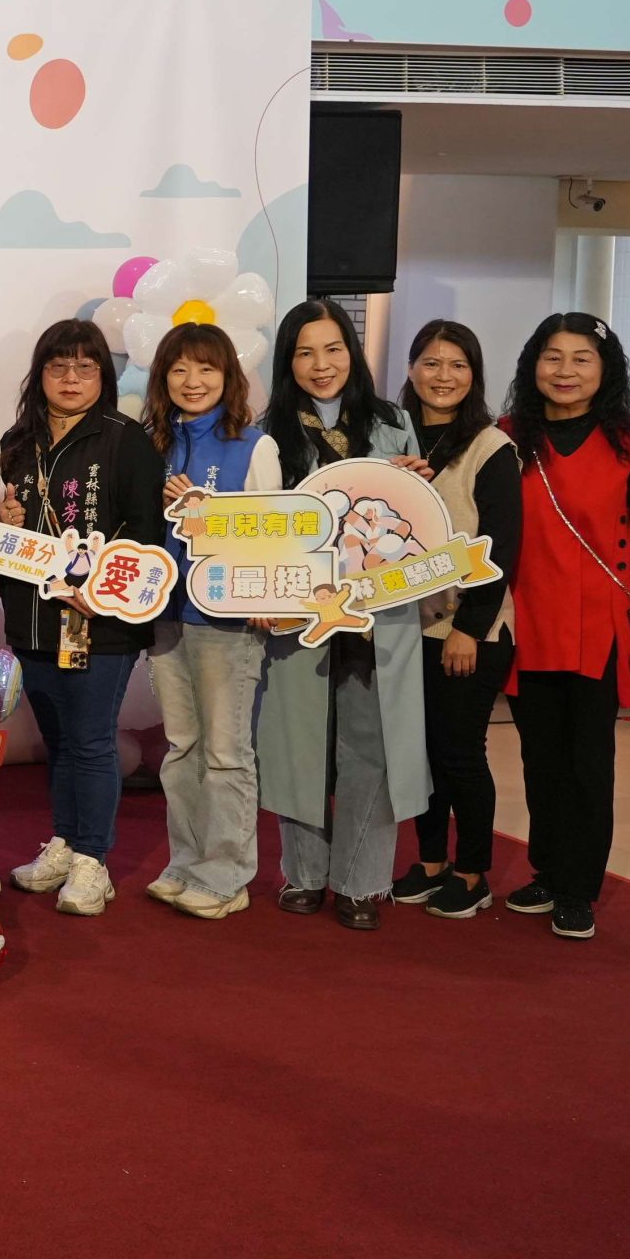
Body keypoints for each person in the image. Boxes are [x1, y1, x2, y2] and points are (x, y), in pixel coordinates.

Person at [252, 299, 430, 932]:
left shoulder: (393, 423)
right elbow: (258, 523)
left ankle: (361, 879)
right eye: (305, 353)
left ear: (352, 354)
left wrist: (418, 480)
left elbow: (419, 522)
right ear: (287, 361)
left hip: (379, 612)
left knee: (371, 744)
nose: (321, 364)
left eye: (333, 349)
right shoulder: (268, 430)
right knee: (298, 742)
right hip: (300, 613)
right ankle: (303, 873)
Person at [502, 313, 630, 941]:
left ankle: (578, 889)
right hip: (527, 620)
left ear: (606, 370)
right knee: (539, 758)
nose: (566, 371)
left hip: (599, 626)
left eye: (582, 359)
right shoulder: (507, 437)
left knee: (588, 763)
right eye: (553, 357)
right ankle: (548, 871)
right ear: (533, 365)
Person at [0, 319, 165, 918]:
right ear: (39, 373)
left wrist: (102, 591)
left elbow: (147, 532)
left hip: (100, 620)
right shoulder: (18, 440)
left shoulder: (125, 439)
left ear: (103, 376)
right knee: (60, 740)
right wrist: (4, 519)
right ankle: (65, 843)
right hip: (33, 617)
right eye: (58, 366)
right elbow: (2, 527)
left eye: (85, 367)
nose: (71, 378)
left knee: (91, 740)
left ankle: (94, 860)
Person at [141, 322, 277, 921]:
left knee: (226, 752)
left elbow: (272, 532)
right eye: (179, 369)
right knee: (181, 747)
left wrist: (202, 512)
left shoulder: (254, 445)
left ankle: (226, 875)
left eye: (206, 368)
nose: (192, 381)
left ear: (228, 377)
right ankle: (185, 863)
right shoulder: (155, 444)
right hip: (165, 613)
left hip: (226, 617)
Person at [390, 320, 521, 920]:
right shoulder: (393, 440)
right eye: (431, 363)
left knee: (460, 751)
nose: (443, 376)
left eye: (457, 365)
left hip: (470, 629)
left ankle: (472, 872)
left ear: (474, 375)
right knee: (420, 752)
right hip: (405, 626)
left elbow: (501, 547)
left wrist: (469, 628)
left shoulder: (491, 448)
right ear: (411, 368)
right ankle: (430, 861)